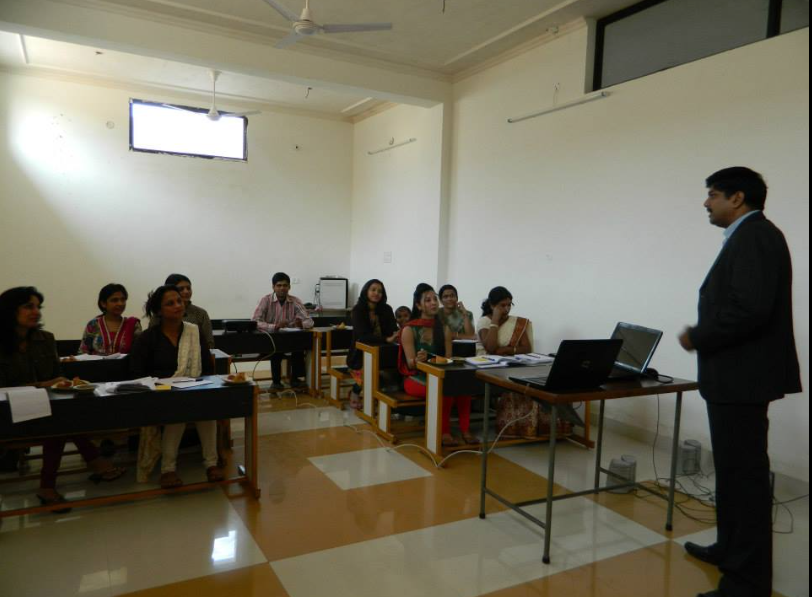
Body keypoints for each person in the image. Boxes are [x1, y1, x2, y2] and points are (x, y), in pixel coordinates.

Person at [678, 167, 801, 597]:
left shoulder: (757, 237)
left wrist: (698, 336)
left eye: (713, 195)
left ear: (738, 198)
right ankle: (729, 549)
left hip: (742, 379)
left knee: (744, 479)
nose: (706, 203)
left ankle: (747, 581)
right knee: (731, 474)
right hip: (733, 378)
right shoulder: (749, 237)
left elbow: (749, 310)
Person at [0, 287, 125, 511]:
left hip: (46, 409)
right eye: (29, 306)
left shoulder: (45, 339)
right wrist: (40, 386)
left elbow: (55, 378)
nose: (36, 312)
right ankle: (92, 461)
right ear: (10, 310)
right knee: (58, 420)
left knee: (60, 417)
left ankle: (49, 485)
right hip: (8, 411)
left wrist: (67, 382)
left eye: (38, 307)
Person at [130, 285, 223, 488]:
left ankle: (211, 463)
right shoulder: (148, 338)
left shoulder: (194, 333)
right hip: (160, 395)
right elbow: (137, 373)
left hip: (193, 390)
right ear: (159, 311)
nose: (177, 306)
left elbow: (207, 368)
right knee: (177, 411)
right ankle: (168, 469)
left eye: (179, 301)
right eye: (170, 303)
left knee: (206, 409)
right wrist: (162, 386)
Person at [399, 283, 475, 446]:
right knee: (445, 389)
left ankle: (465, 430)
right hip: (415, 378)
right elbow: (411, 364)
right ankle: (444, 432)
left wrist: (436, 359)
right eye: (428, 300)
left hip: (438, 374)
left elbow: (447, 359)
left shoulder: (444, 328)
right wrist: (419, 360)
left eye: (435, 299)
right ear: (419, 305)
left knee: (463, 387)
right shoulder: (409, 329)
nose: (434, 303)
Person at [251, 272, 314, 389]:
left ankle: (295, 380)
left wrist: (301, 325)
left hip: (291, 340)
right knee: (277, 349)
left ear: (289, 287)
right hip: (271, 340)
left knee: (299, 347)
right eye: (279, 285)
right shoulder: (265, 300)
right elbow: (255, 321)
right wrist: (274, 326)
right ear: (273, 287)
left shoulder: (295, 301)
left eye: (285, 285)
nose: (282, 288)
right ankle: (276, 382)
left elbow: (310, 321)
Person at [346, 279, 398, 409]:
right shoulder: (358, 310)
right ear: (366, 291)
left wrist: (396, 335)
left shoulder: (386, 309)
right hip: (359, 353)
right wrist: (386, 339)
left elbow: (392, 329)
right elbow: (363, 336)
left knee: (395, 368)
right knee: (366, 370)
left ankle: (384, 398)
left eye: (380, 291)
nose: (376, 293)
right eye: (373, 290)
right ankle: (355, 392)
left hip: (384, 351)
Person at [149, 274, 214, 349]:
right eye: (181, 289)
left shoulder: (201, 313)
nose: (186, 291)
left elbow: (209, 343)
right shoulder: (160, 314)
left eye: (188, 288)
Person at [79, 283, 142, 355]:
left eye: (123, 299)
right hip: (96, 366)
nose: (120, 303)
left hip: (125, 366)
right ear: (103, 303)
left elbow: (139, 353)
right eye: (115, 300)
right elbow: (83, 352)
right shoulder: (93, 324)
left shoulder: (133, 325)